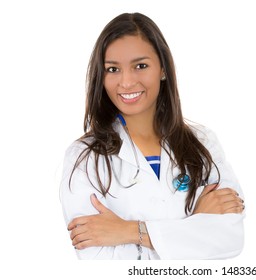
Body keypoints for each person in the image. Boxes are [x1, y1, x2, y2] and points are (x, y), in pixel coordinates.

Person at [59, 12, 245, 260]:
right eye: (113, 69)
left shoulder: (203, 143)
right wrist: (194, 226)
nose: (126, 82)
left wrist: (129, 232)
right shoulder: (84, 158)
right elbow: (100, 262)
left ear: (163, 70)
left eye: (140, 66)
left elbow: (229, 239)